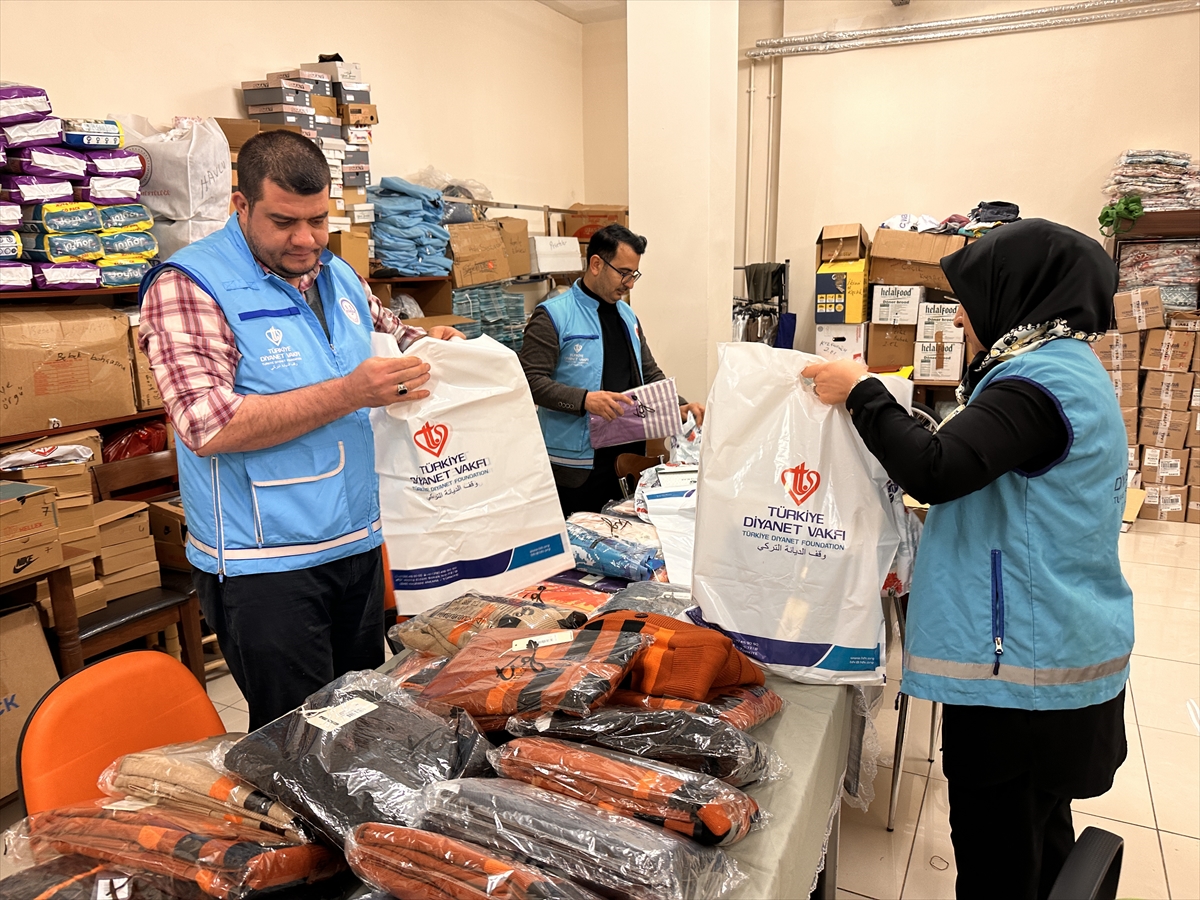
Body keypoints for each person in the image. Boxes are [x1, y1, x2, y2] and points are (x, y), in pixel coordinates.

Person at [802, 219, 1133, 900]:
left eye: (969, 298)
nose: (958, 316)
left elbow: (938, 469)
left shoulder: (1037, 383)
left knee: (998, 864)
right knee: (1037, 841)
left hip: (1020, 680)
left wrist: (861, 390)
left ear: (1019, 294)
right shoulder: (1067, 371)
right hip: (1054, 659)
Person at [138, 130, 463, 730]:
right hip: (267, 565)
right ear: (241, 205)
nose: (306, 239)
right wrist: (350, 392)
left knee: (364, 723)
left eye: (318, 221)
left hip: (356, 543)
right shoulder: (190, 285)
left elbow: (394, 339)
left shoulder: (338, 276)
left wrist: (435, 345)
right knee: (299, 740)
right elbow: (206, 426)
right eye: (284, 222)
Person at [518, 223, 705, 515]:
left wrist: (678, 405)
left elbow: (648, 373)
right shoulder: (553, 315)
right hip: (576, 466)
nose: (630, 284)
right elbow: (529, 381)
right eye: (624, 273)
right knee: (579, 538)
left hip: (626, 461)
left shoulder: (627, 315)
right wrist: (584, 400)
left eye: (634, 274)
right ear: (596, 264)